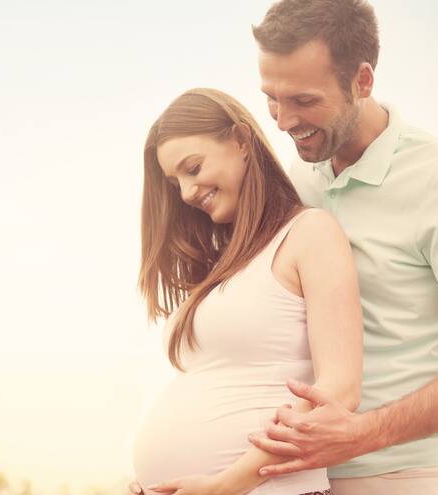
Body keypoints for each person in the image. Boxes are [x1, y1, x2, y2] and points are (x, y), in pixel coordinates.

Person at [132, 1, 438, 494]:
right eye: (271, 98)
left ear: (362, 82)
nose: (281, 120)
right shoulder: (299, 184)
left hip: (409, 473)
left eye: (303, 100)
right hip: (311, 478)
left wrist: (363, 434)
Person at [133, 88, 363, 495]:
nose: (186, 193)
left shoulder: (309, 233)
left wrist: (224, 484)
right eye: (174, 183)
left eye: (193, 167)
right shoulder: (221, 267)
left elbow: (340, 390)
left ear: (240, 141)